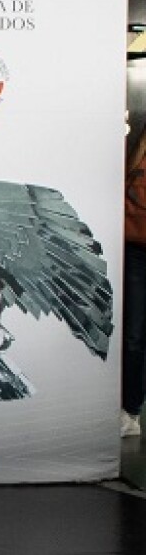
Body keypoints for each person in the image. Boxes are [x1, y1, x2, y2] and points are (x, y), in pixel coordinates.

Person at [123, 126, 146, 436]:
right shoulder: (136, 144)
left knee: (135, 335)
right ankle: (131, 410)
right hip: (136, 249)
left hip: (135, 249)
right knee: (134, 334)